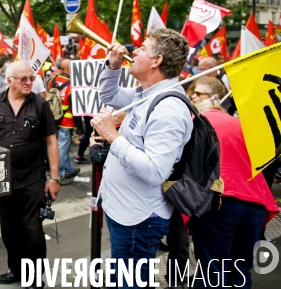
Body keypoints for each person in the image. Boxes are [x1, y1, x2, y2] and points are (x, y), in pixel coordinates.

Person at [92, 28, 193, 288]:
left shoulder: (168, 108)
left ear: (157, 61)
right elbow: (107, 96)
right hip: (125, 212)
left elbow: (155, 172)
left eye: (143, 48)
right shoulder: (144, 93)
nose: (133, 51)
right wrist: (112, 68)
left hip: (138, 219)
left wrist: (113, 137)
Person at [189, 76, 279, 288]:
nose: (192, 96)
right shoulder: (244, 126)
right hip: (254, 205)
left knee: (213, 273)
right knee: (239, 272)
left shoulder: (197, 123)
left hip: (219, 203)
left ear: (216, 98)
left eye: (198, 93)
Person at [0, 61, 60, 288]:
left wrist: (54, 177)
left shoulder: (39, 103)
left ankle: (35, 276)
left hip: (32, 176)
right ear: (9, 81)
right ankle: (16, 269)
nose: (30, 82)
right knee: (8, 227)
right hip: (2, 176)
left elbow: (51, 141)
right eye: (23, 79)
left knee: (31, 228)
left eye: (31, 77)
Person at [47, 58, 79, 185]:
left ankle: (69, 169)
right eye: (71, 68)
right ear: (66, 69)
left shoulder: (52, 80)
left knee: (62, 148)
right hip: (66, 122)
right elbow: (75, 107)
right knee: (61, 149)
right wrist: (80, 127)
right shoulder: (72, 85)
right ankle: (59, 176)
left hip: (53, 119)